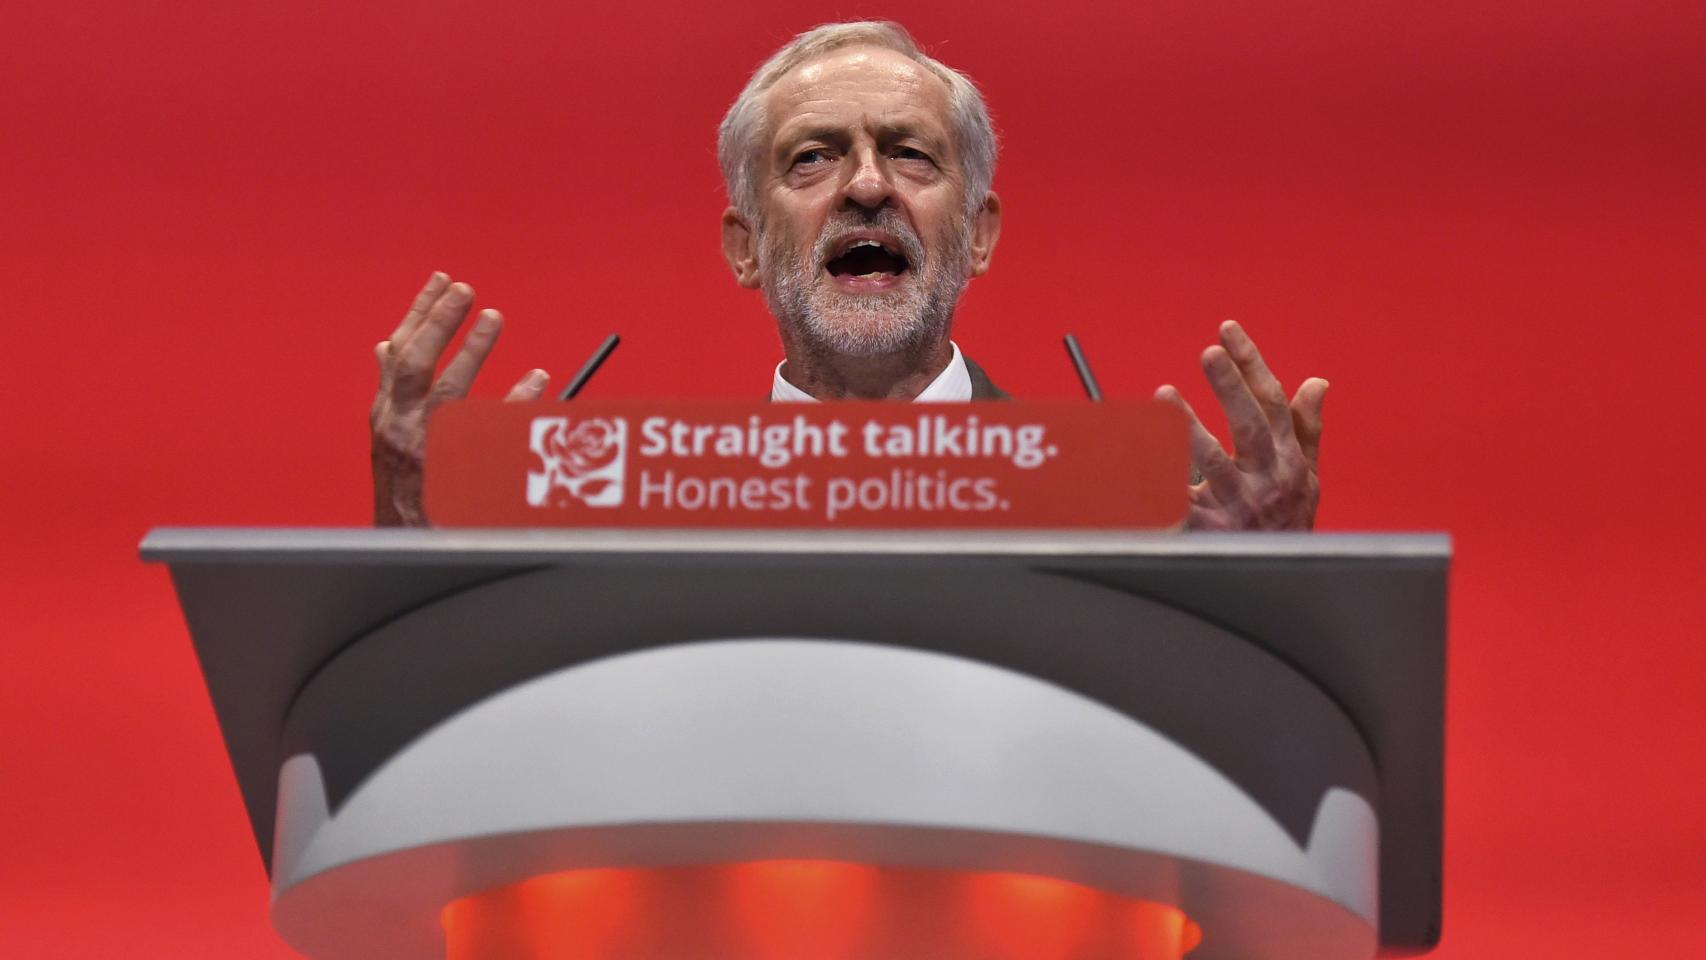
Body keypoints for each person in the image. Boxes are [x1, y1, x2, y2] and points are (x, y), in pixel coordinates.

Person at [369, 21, 1326, 530]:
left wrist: (1255, 590)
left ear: (979, 233)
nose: (867, 185)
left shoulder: (1126, 517)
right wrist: (418, 534)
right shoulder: (637, 522)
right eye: (813, 158)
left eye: (911, 154)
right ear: (745, 248)